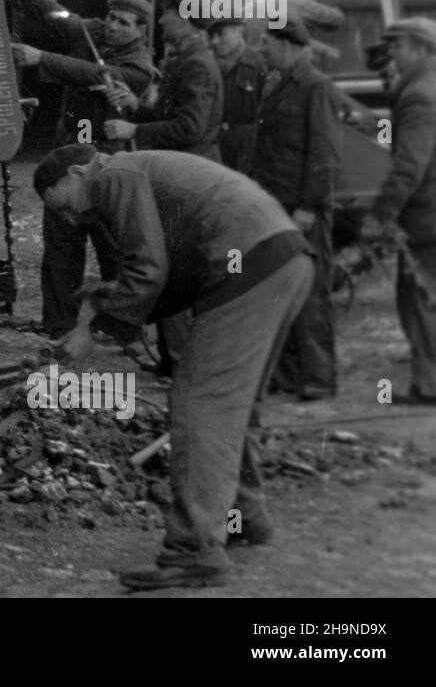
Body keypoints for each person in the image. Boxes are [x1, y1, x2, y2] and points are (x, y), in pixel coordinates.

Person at [34, 145, 312, 590]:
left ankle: (194, 551)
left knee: (200, 403)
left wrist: (95, 329)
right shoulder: (135, 171)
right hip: (283, 256)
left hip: (248, 263)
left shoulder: (112, 177)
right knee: (234, 402)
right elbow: (165, 271)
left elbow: (148, 271)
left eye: (63, 204)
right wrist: (103, 309)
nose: (70, 219)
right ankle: (245, 517)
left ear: (76, 173)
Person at [4, 0, 154, 335]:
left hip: (107, 161)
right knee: (60, 243)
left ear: (141, 31)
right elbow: (54, 12)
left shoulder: (139, 68)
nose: (113, 27)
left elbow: (90, 73)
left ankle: (121, 325)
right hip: (70, 155)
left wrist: (42, 57)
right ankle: (59, 323)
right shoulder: (94, 32)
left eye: (123, 23)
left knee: (112, 246)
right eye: (112, 18)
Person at [250, 17, 341, 400]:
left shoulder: (316, 87)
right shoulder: (280, 83)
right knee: (281, 290)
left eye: (267, 44)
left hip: (302, 208)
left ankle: (318, 379)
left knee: (312, 293)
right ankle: (286, 375)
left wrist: (310, 205)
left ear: (287, 44)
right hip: (277, 204)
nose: (263, 51)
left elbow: (325, 154)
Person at [360, 17, 436, 406]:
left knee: (419, 300)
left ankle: (430, 386)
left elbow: (409, 167)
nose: (391, 53)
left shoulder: (419, 94)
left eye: (398, 46)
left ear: (421, 49)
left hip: (426, 216)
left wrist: (381, 215)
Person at [104, 1, 223, 161]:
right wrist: (135, 105)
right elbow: (167, 117)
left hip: (190, 167)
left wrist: (134, 130)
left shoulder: (197, 65)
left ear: (185, 23)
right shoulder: (185, 60)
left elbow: (190, 128)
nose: (161, 21)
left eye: (168, 14)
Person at [204, 17, 267, 173]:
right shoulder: (207, 65)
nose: (214, 41)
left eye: (221, 34)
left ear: (239, 31)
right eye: (211, 35)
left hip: (246, 152)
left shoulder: (261, 65)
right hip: (213, 148)